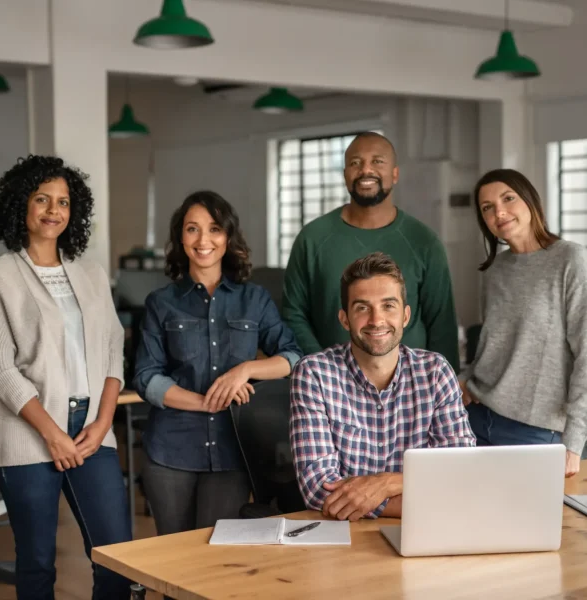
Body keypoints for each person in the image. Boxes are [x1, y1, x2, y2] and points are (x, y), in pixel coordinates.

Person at [0, 155, 131, 600]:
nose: (53, 210)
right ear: (20, 206)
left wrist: (102, 424)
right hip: (28, 433)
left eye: (63, 202)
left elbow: (112, 349)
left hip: (91, 429)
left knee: (118, 559)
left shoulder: (91, 274)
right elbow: (0, 370)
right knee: (38, 564)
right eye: (42, 199)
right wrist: (52, 435)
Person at [133, 190, 302, 536]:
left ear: (227, 236)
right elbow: (146, 377)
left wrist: (245, 372)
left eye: (213, 229)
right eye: (192, 229)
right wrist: (206, 402)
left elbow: (294, 357)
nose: (203, 240)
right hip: (169, 451)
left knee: (215, 556)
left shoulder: (254, 300)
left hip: (233, 451)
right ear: (181, 238)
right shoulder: (160, 303)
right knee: (173, 557)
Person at [289, 252, 475, 521]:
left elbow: (461, 468)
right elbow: (318, 488)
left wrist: (387, 483)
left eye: (388, 306)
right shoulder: (314, 374)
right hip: (347, 538)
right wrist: (423, 495)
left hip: (425, 533)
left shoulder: (435, 371)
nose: (376, 320)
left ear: (405, 315)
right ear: (344, 319)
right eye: (362, 308)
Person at [465, 168, 587, 478]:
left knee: (527, 525)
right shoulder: (494, 271)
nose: (498, 212)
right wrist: (465, 380)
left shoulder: (571, 260)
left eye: (508, 198)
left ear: (530, 201)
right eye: (487, 207)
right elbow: (493, 346)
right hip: (475, 418)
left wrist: (574, 442)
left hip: (535, 430)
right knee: (471, 520)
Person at [282, 131, 461, 373]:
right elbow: (293, 313)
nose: (366, 170)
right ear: (345, 174)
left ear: (395, 173)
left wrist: (444, 382)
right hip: (331, 383)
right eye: (355, 163)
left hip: (410, 383)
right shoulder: (312, 238)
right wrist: (324, 368)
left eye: (377, 161)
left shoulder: (424, 241)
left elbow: (442, 324)